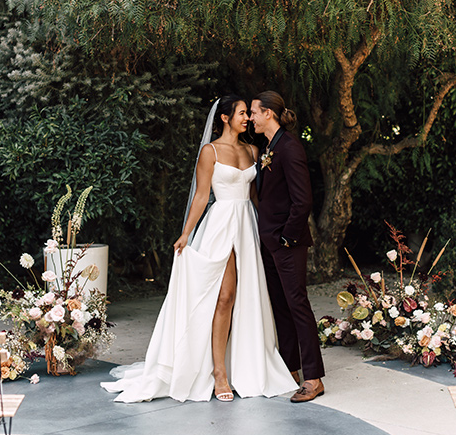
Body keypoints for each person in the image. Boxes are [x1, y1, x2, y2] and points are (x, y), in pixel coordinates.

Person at [101, 95, 296, 402]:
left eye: (248, 113)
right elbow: (202, 196)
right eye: (242, 113)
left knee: (247, 297)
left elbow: (259, 197)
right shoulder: (210, 151)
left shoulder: (253, 149)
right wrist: (185, 234)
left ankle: (245, 365)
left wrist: (268, 229)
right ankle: (219, 372)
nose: (247, 118)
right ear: (224, 117)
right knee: (225, 296)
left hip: (247, 225)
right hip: (220, 227)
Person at [250, 91, 325, 403]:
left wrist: (287, 238)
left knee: (298, 306)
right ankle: (290, 368)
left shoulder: (290, 147)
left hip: (286, 242)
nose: (250, 117)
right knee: (280, 306)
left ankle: (314, 377)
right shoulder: (270, 146)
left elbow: (303, 200)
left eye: (253, 111)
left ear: (268, 113)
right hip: (269, 240)